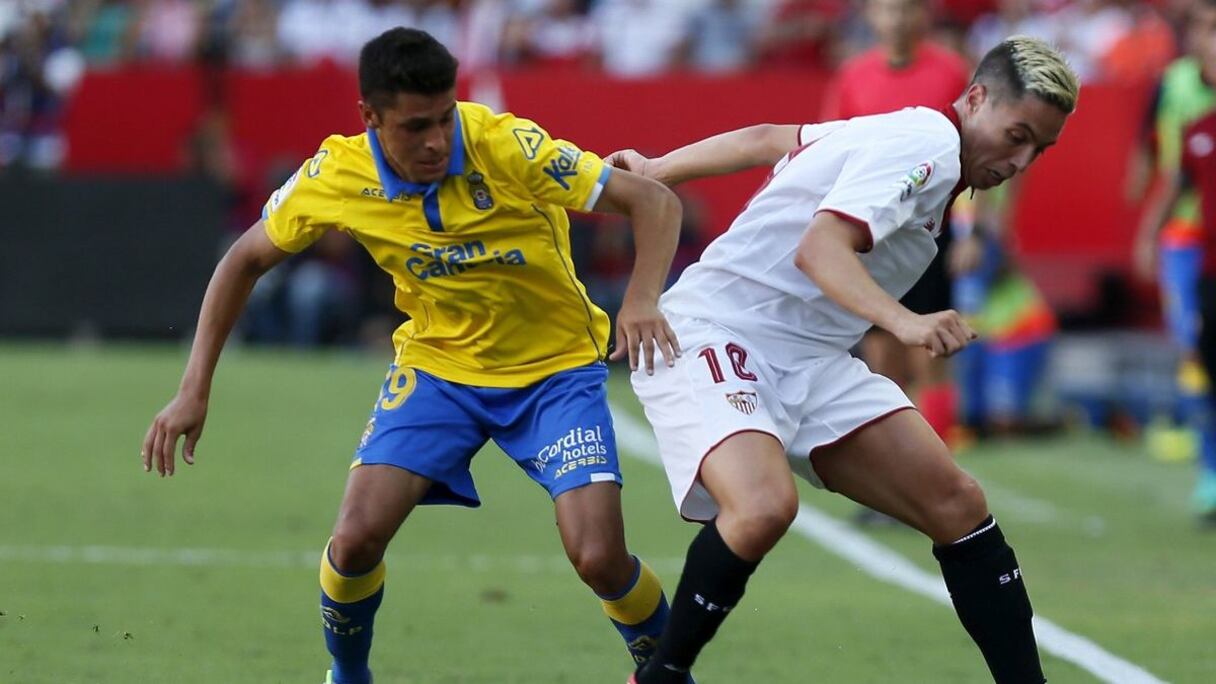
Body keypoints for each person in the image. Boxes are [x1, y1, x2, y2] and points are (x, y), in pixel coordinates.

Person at [140, 28, 686, 684]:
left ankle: (668, 673)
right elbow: (243, 259)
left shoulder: (504, 145)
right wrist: (194, 386)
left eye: (445, 117)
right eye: (416, 126)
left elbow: (653, 200)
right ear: (370, 118)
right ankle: (347, 677)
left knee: (598, 557)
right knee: (354, 540)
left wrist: (642, 298)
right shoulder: (338, 174)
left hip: (555, 372)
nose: (437, 140)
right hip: (438, 371)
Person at [611, 35, 1077, 683]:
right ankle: (661, 677)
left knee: (958, 506)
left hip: (811, 355)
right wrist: (904, 323)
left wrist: (660, 168)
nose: (1021, 159)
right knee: (762, 509)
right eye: (1016, 133)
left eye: (1040, 148)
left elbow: (768, 138)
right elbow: (820, 249)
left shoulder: (910, 131)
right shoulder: (930, 149)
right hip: (719, 333)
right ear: (975, 100)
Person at [822, 0, 972, 446]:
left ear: (923, 15)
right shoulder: (853, 75)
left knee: (930, 352)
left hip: (929, 232)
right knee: (880, 359)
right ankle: (894, 472)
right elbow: (832, 150)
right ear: (872, 17)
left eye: (908, 9)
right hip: (870, 234)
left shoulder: (953, 71)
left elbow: (975, 155)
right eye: (889, 10)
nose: (898, 19)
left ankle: (938, 461)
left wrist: (974, 231)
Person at [1133, 0, 1216, 523]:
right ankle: (1210, 470)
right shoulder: (1176, 85)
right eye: (1206, 27)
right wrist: (1148, 229)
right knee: (1196, 349)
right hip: (1189, 236)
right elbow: (1159, 151)